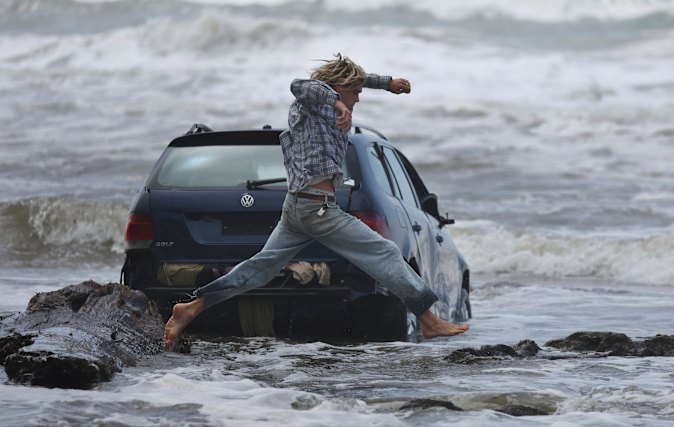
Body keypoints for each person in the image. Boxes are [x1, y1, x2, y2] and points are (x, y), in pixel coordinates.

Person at [164, 54, 469, 349]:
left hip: (299, 208)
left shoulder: (323, 108)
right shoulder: (309, 105)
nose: (358, 99)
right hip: (317, 209)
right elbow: (300, 84)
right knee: (386, 253)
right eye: (355, 93)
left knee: (261, 269)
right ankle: (428, 319)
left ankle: (192, 307)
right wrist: (337, 102)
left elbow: (347, 80)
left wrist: (387, 83)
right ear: (337, 89)